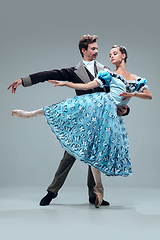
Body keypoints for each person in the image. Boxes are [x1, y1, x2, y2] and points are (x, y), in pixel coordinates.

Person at [8, 35, 129, 207]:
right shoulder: (74, 72)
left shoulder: (106, 71)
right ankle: (51, 192)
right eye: (93, 48)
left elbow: (115, 96)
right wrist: (24, 80)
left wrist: (124, 109)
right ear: (83, 50)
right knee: (68, 157)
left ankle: (94, 196)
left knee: (94, 158)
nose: (97, 51)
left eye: (97, 48)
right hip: (81, 122)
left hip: (99, 123)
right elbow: (49, 74)